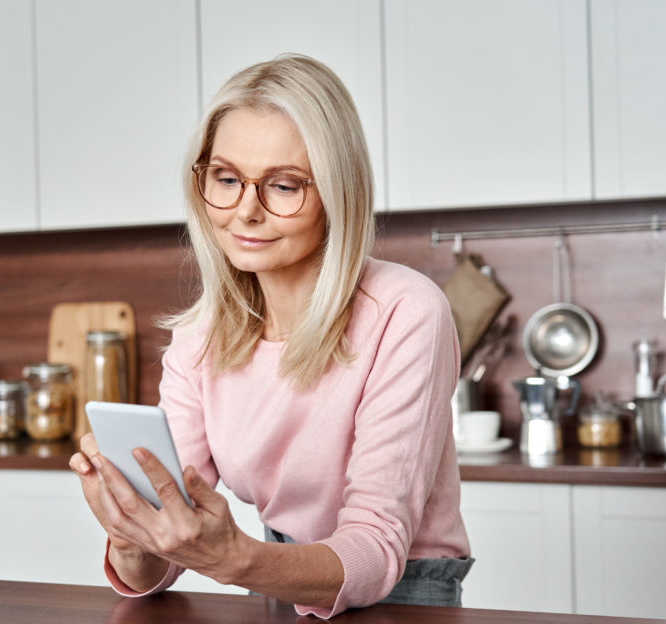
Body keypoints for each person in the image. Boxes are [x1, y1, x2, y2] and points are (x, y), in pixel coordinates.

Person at [69, 53, 472, 618]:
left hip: (405, 592)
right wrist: (134, 536)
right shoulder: (198, 340)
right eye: (226, 179)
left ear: (337, 192)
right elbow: (160, 564)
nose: (245, 212)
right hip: (279, 571)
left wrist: (236, 560)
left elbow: (377, 547)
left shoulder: (405, 311)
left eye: (284, 185)